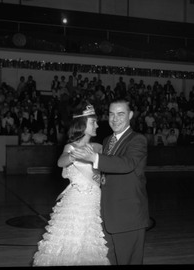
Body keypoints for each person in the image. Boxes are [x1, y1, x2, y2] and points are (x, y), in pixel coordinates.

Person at [70, 98, 149, 265]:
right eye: (111, 114)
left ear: (131, 115)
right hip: (108, 216)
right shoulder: (107, 141)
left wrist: (94, 158)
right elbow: (106, 172)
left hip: (128, 218)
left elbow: (126, 164)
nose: (115, 118)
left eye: (121, 114)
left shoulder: (137, 139)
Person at [32, 103, 109, 266]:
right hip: (75, 203)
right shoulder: (71, 147)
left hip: (94, 202)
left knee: (88, 242)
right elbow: (61, 162)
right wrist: (74, 156)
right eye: (92, 122)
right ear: (82, 125)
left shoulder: (98, 147)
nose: (97, 124)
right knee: (69, 242)